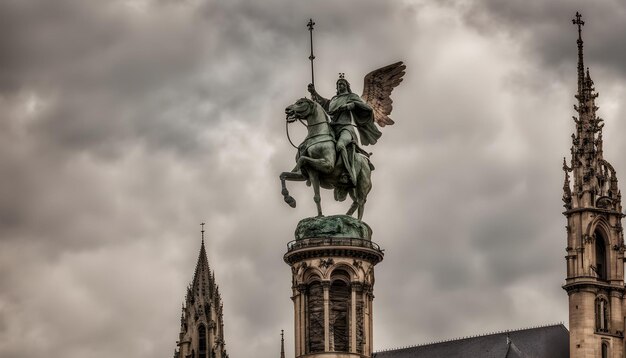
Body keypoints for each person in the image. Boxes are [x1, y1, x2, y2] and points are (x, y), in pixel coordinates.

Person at [308, 77, 381, 185]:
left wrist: (351, 105)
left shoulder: (351, 96)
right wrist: (314, 92)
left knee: (340, 145)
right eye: (338, 84)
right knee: (317, 143)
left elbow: (367, 108)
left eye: (342, 84)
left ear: (346, 86)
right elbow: (322, 103)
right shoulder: (334, 100)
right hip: (332, 129)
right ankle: (311, 171)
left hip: (346, 129)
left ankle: (348, 173)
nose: (340, 86)